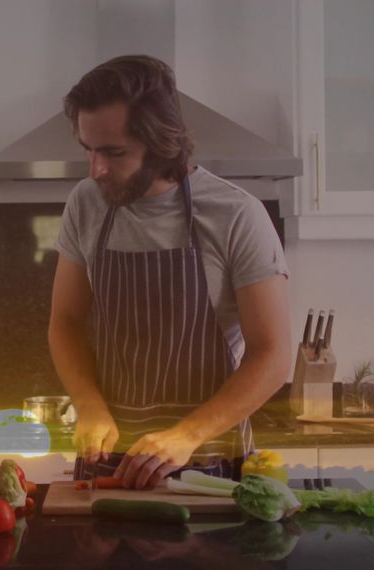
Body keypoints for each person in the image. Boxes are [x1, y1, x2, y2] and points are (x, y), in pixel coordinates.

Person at [49, 54, 292, 489]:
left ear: (161, 142)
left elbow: (272, 355)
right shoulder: (85, 204)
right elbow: (65, 322)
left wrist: (187, 435)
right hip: (107, 460)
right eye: (88, 150)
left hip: (207, 465)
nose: (95, 169)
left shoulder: (237, 215)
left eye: (113, 152)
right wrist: (88, 405)